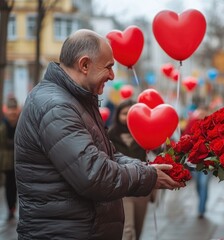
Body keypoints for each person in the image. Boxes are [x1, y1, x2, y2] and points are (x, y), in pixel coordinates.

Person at [14, 29, 184, 239]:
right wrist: (148, 176)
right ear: (84, 65)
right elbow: (93, 175)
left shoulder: (76, 100)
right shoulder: (57, 108)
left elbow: (108, 156)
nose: (112, 75)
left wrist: (147, 167)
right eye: (109, 67)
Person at [108, 99, 156, 240]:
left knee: (139, 227)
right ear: (117, 115)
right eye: (124, 113)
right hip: (122, 187)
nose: (127, 116)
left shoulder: (144, 133)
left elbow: (159, 149)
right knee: (127, 230)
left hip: (142, 187)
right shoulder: (110, 134)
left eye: (131, 113)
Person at [183, 105, 211, 219]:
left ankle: (201, 209)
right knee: (198, 184)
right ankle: (201, 202)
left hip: (208, 162)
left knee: (204, 184)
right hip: (194, 159)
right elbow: (185, 137)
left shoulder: (211, 124)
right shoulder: (192, 123)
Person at [0, 97, 20, 221]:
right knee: (9, 185)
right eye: (10, 109)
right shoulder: (3, 125)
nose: (12, 113)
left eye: (14, 109)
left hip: (18, 160)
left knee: (15, 186)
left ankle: (13, 207)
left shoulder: (20, 123)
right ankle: (11, 208)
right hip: (7, 162)